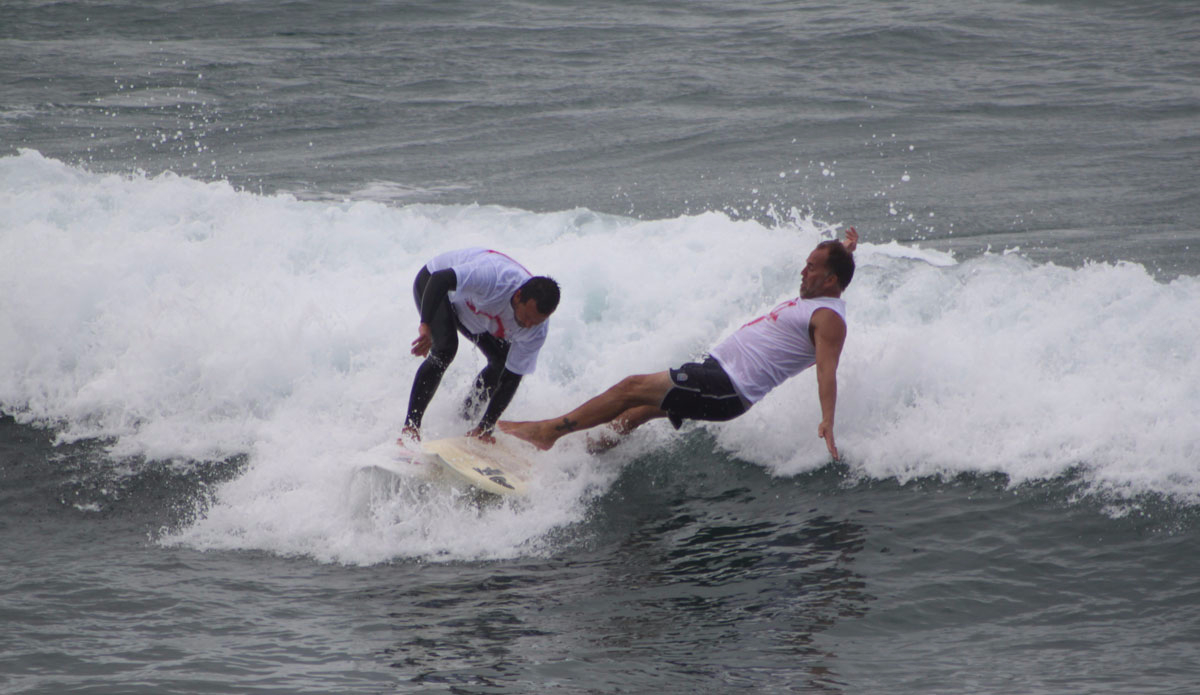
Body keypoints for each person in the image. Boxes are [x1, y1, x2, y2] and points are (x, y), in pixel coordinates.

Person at [499, 229, 857, 459]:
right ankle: (586, 454)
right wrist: (846, 249)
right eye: (806, 264)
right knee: (636, 412)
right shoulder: (820, 297)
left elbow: (827, 371)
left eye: (811, 267)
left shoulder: (829, 319)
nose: (803, 271)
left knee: (631, 388)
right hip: (715, 372)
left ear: (831, 279)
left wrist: (827, 419)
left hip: (728, 388)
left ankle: (547, 433)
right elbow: (835, 271)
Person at [402, 247, 560, 444]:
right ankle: (410, 428)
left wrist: (487, 425)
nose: (528, 325)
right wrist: (425, 324)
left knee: (501, 363)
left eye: (535, 322)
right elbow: (439, 280)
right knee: (445, 349)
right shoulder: (493, 277)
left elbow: (513, 376)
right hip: (435, 285)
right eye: (527, 317)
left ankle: (465, 420)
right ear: (518, 296)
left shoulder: (537, 329)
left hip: (475, 311)